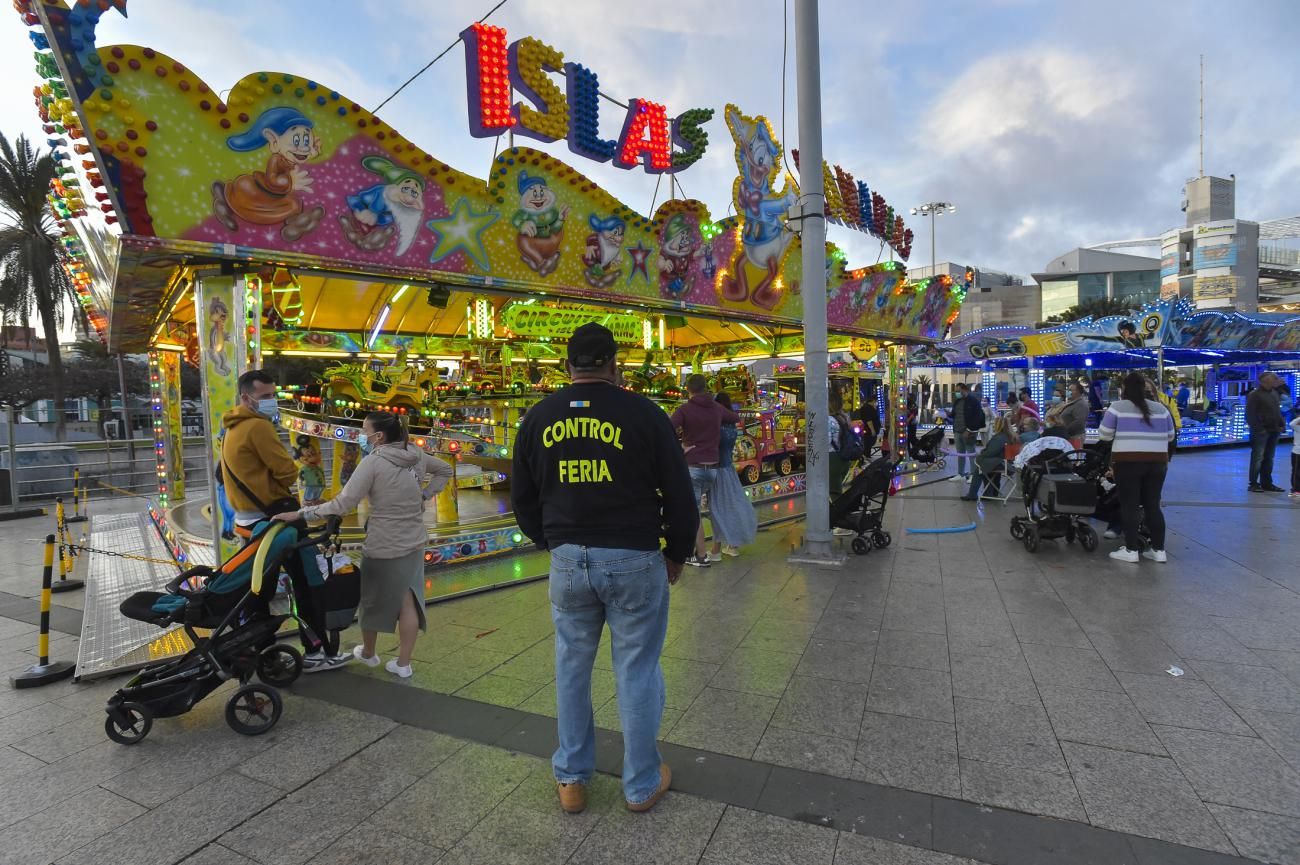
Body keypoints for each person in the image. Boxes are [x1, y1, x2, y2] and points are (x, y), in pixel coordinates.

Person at [511, 322, 695, 815]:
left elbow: (522, 497)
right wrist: (676, 550)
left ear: (566, 365)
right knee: (636, 669)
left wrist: (550, 542)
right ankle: (639, 785)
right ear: (615, 365)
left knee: (571, 666)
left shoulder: (538, 418)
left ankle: (571, 778)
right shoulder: (645, 414)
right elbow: (679, 492)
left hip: (569, 559)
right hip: (634, 556)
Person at [276, 412, 452, 678]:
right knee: (409, 602)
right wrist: (424, 495)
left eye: (364, 430)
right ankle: (404, 664)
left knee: (371, 600)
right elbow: (445, 469)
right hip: (414, 541)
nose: (362, 435)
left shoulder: (373, 462)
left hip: (383, 544)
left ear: (378, 436)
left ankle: (369, 653)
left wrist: (300, 514)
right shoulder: (415, 455)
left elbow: (343, 504)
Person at [222, 369, 346, 672]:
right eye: (265, 396)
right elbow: (289, 472)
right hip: (277, 518)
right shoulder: (258, 427)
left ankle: (264, 652)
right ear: (246, 398)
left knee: (258, 590)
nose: (271, 401)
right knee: (308, 581)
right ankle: (316, 651)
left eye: (272, 395)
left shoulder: (231, 428)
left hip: (249, 521)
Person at [1097, 371, 1176, 562]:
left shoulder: (1117, 407)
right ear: (1145, 388)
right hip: (1157, 464)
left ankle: (1131, 550)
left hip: (1127, 463)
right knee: (1152, 505)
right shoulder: (1161, 409)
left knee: (1130, 505)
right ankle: (1158, 550)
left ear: (1124, 388)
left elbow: (1104, 435)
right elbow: (1170, 437)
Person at [671, 373, 740, 566]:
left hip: (693, 466)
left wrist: (681, 448)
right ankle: (714, 548)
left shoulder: (684, 409)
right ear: (705, 388)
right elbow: (735, 417)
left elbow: (666, 428)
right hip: (713, 468)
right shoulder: (716, 408)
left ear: (688, 389)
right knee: (711, 508)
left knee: (694, 513)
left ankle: (701, 556)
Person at [709, 393, 759, 557]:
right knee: (732, 506)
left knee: (716, 510)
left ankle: (716, 550)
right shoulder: (732, 425)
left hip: (717, 471)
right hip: (729, 470)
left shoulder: (717, 425)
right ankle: (733, 544)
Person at [1246, 371, 1285, 492]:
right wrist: (1259, 429)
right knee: (1258, 458)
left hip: (1274, 431)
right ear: (1266, 381)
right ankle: (1253, 484)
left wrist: (1281, 424)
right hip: (1261, 433)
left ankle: (1267, 483)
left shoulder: (1274, 393)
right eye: (1274, 379)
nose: (1276, 381)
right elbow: (1250, 415)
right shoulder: (1254, 395)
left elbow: (1277, 411)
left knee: (1269, 458)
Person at [961, 415, 1016, 501]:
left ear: (999, 425)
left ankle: (973, 494)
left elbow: (990, 452)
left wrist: (981, 453)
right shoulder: (1010, 436)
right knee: (986, 467)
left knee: (979, 468)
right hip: (1006, 462)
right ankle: (990, 493)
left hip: (1001, 463)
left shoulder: (999, 437)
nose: (993, 425)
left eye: (995, 424)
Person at [949, 382, 974, 482]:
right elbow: (954, 414)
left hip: (968, 432)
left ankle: (973, 474)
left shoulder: (972, 401)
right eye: (955, 391)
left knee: (971, 453)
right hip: (957, 431)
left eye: (958, 391)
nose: (957, 393)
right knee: (960, 453)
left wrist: (969, 429)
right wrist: (947, 415)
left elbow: (976, 417)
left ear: (964, 390)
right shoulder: (957, 401)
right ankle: (961, 473)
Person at [1290, 412, 1300, 498]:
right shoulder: (1298, 427)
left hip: (1297, 452)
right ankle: (1295, 489)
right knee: (1296, 472)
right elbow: (1291, 424)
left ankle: (1296, 489)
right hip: (1297, 452)